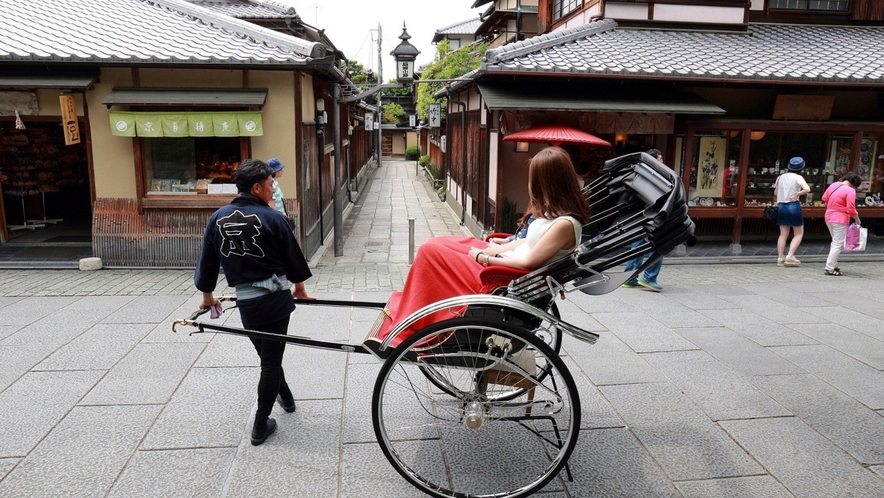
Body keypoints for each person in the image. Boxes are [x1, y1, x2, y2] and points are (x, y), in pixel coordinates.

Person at [379, 147, 591, 339]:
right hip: (504, 263)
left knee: (430, 250)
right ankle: (414, 307)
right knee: (444, 242)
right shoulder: (556, 215)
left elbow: (528, 263)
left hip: (502, 276)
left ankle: (415, 317)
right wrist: (495, 248)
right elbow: (526, 241)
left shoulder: (564, 224)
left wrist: (485, 258)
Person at [194, 159, 314, 446]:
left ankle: (285, 397)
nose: (274, 190)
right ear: (257, 187)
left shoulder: (218, 217)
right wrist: (300, 288)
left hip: (247, 303)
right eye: (271, 185)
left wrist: (207, 295)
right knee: (271, 360)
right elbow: (293, 258)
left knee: (267, 355)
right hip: (274, 301)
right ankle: (261, 424)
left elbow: (208, 260)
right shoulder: (274, 219)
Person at [622, 149, 665, 292]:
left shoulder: (640, 173)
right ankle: (649, 277)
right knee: (658, 245)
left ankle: (630, 277)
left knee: (638, 245)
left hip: (639, 215)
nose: (662, 162)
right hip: (650, 216)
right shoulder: (653, 176)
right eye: (659, 159)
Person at [821, 171, 862, 276]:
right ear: (854, 183)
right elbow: (851, 208)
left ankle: (834, 265)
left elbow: (824, 198)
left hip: (828, 216)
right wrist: (857, 219)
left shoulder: (834, 185)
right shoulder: (850, 191)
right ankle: (829, 268)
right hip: (840, 219)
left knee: (835, 242)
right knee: (838, 244)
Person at [774, 157, 812, 266]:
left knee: (783, 234)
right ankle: (790, 256)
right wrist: (797, 194)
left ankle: (780, 258)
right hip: (793, 206)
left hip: (781, 206)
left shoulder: (780, 177)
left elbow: (776, 193)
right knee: (799, 233)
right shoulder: (798, 177)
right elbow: (807, 189)